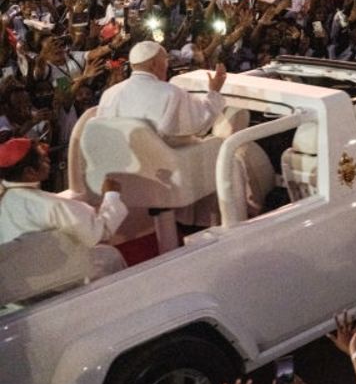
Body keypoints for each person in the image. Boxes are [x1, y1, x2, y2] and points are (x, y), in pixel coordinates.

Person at [0, 137, 126, 278]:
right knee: (109, 255)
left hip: (18, 279)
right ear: (29, 172)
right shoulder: (50, 205)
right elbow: (100, 233)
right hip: (54, 279)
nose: (48, 160)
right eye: (43, 159)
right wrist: (112, 194)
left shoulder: (6, 196)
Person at [96, 41, 226, 141]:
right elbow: (200, 124)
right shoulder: (171, 93)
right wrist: (214, 92)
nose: (167, 66)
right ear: (154, 64)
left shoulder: (110, 93)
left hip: (119, 166)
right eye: (165, 62)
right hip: (159, 166)